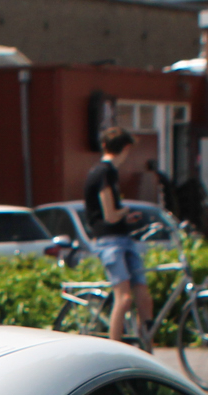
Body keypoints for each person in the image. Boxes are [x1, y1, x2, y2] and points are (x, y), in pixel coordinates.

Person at [84, 127, 151, 347]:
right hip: (109, 242)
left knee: (142, 291)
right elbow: (110, 215)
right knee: (125, 298)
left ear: (104, 146)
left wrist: (125, 218)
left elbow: (110, 216)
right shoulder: (104, 173)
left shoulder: (104, 172)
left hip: (119, 238)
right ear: (126, 148)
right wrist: (124, 211)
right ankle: (116, 349)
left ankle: (146, 341)